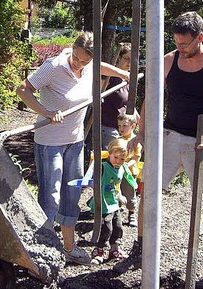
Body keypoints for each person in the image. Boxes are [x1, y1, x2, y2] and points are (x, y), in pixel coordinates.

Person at [113, 11, 203, 289]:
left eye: (185, 43)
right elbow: (151, 97)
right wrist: (141, 133)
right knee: (148, 192)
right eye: (176, 42)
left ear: (200, 37)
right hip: (170, 135)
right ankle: (140, 250)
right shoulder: (169, 61)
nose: (180, 47)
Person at [16, 31, 130, 265]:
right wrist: (46, 112)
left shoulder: (89, 66)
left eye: (85, 61)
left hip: (75, 142)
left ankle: (69, 248)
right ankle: (40, 255)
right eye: (77, 58)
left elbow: (102, 66)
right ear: (72, 49)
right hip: (50, 143)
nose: (79, 63)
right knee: (51, 197)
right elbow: (22, 89)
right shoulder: (54, 66)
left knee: (72, 194)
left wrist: (122, 73)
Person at [87, 138, 137, 264]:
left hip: (114, 203)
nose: (118, 161)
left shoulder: (121, 168)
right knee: (106, 227)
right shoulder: (103, 167)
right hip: (103, 203)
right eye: (116, 157)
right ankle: (98, 250)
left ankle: (114, 248)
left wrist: (119, 195)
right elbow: (95, 180)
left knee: (118, 226)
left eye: (122, 159)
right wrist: (92, 183)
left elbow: (117, 184)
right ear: (110, 153)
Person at [117, 112, 142, 227]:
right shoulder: (118, 140)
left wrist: (127, 165)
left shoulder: (135, 140)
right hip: (118, 171)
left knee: (129, 193)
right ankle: (116, 213)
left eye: (124, 125)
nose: (121, 128)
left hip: (129, 173)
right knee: (117, 190)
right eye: (119, 126)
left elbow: (137, 157)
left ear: (132, 126)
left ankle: (131, 213)